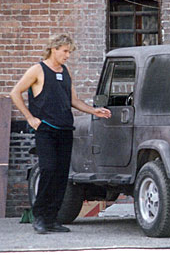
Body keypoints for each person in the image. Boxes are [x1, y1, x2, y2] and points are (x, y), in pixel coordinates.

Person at [10, 34, 111, 234]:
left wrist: (94, 110)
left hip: (65, 129)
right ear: (53, 49)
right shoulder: (37, 70)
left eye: (69, 52)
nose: (67, 55)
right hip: (45, 129)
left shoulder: (65, 72)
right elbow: (15, 93)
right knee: (48, 170)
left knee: (61, 176)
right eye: (65, 51)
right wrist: (29, 117)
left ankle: (52, 219)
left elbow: (74, 100)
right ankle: (39, 216)